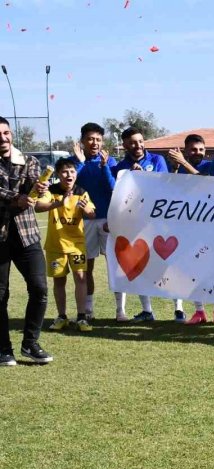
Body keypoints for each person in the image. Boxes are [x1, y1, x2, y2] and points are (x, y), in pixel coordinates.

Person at [0, 116, 52, 365]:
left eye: (6, 133)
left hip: (27, 234)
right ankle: (3, 349)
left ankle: (30, 344)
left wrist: (39, 188)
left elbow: (34, 183)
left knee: (40, 289)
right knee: (0, 295)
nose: (3, 138)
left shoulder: (29, 160)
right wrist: (16, 198)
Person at [112, 126, 170, 322]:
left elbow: (165, 184)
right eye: (132, 143)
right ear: (125, 145)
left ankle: (180, 310)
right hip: (131, 221)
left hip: (156, 221)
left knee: (166, 264)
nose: (137, 145)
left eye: (139, 141)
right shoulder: (120, 166)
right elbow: (116, 191)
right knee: (134, 264)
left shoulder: (156, 160)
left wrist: (142, 174)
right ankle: (145, 310)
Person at [167, 134, 214, 325]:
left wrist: (183, 163)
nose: (197, 153)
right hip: (187, 226)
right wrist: (175, 168)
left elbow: (206, 182)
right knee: (190, 269)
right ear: (185, 150)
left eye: (200, 149)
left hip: (212, 225)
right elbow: (166, 189)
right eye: (193, 149)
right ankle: (199, 310)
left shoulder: (210, 165)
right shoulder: (178, 168)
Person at [33, 158, 96, 332]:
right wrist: (59, 203)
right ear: (59, 175)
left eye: (72, 171)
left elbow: (91, 213)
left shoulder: (81, 192)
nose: (69, 175)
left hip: (77, 244)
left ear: (76, 174)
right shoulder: (51, 191)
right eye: (65, 172)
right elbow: (38, 207)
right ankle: (62, 316)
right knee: (59, 281)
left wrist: (86, 209)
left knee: (81, 279)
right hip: (56, 245)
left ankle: (82, 317)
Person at [72, 122, 118, 321]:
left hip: (108, 220)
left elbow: (114, 188)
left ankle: (120, 310)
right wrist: (80, 162)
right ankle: (88, 310)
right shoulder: (73, 162)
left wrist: (105, 167)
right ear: (82, 141)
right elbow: (71, 184)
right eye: (90, 139)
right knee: (87, 267)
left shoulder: (110, 161)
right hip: (85, 221)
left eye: (98, 139)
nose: (94, 143)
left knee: (115, 265)